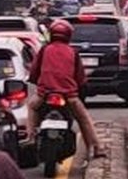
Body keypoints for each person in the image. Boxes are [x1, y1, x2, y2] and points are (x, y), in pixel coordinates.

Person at [25, 20, 106, 160]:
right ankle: (96, 147)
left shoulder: (45, 50)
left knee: (32, 108)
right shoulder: (72, 52)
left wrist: (35, 81)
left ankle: (30, 136)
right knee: (83, 118)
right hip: (69, 95)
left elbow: (34, 72)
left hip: (45, 93)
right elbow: (80, 77)